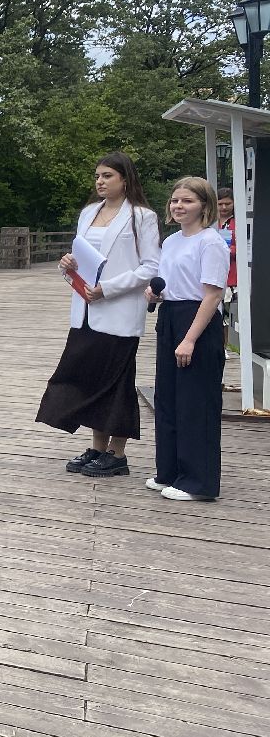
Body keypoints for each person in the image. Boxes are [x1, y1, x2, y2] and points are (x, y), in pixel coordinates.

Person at [37, 152, 161, 477]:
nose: (100, 181)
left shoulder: (142, 217)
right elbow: (83, 257)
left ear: (125, 179)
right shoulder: (89, 212)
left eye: (107, 175)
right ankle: (97, 447)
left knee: (116, 382)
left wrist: (108, 288)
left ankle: (117, 454)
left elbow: (151, 267)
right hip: (85, 310)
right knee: (87, 379)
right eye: (97, 176)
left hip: (119, 311)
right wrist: (67, 265)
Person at [146, 177, 230, 502]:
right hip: (170, 316)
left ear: (204, 206)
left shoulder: (210, 242)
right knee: (168, 398)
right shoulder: (171, 241)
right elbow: (171, 283)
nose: (178, 206)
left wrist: (190, 339)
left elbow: (212, 295)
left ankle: (198, 482)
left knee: (196, 402)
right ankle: (170, 471)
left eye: (187, 201)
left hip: (197, 322)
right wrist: (155, 294)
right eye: (175, 200)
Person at [217, 187, 237, 294]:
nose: (224, 207)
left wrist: (229, 250)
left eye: (228, 204)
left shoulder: (239, 222)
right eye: (220, 204)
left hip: (234, 275)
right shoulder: (210, 223)